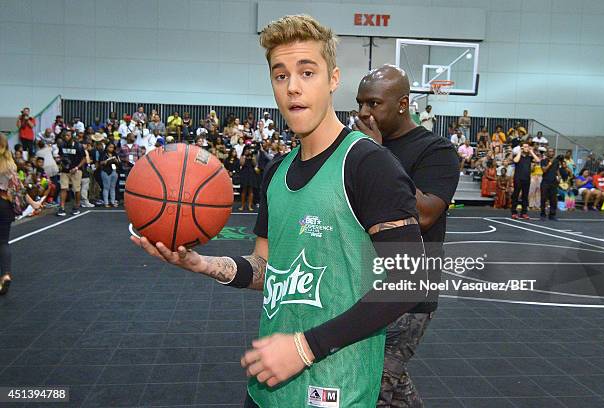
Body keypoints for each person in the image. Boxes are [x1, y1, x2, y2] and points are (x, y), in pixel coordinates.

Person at [132, 16, 425, 408]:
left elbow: (411, 279)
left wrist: (305, 348)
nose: (293, 88)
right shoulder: (276, 172)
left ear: (333, 79)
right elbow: (267, 268)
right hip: (268, 387)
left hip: (337, 392)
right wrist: (201, 264)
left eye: (307, 72)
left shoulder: (369, 164)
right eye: (281, 75)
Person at [355, 64, 459, 407]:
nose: (363, 112)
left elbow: (425, 214)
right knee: (388, 384)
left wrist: (378, 155)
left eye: (373, 103)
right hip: (364, 284)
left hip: (408, 292)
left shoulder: (436, 150)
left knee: (374, 385)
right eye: (360, 103)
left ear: (402, 103)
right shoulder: (361, 147)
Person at [0, 133, 42, 295]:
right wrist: (34, 203)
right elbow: (20, 190)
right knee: (3, 242)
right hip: (4, 205)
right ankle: (5, 274)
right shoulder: (10, 166)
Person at [56, 130, 86, 216]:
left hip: (76, 170)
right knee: (63, 188)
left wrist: (77, 167)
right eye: (65, 135)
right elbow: (61, 156)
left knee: (76, 189)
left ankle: (76, 205)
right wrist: (60, 161)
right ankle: (62, 207)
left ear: (72, 136)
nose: (66, 137)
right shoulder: (62, 145)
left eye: (68, 135)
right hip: (65, 170)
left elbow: (84, 159)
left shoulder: (78, 146)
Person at [511, 142, 540, 219]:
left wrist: (531, 151)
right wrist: (520, 151)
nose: (526, 148)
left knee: (525, 196)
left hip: (526, 178)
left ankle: (524, 213)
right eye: (524, 147)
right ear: (521, 148)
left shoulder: (530, 157)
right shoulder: (517, 155)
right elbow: (516, 161)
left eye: (527, 147)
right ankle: (514, 212)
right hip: (518, 178)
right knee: (516, 195)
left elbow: (538, 160)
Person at [540, 148, 560, 220]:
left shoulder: (557, 161)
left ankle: (552, 215)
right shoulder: (543, 161)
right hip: (545, 182)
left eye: (552, 152)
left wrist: (559, 177)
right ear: (547, 153)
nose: (551, 153)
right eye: (549, 151)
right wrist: (549, 164)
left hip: (553, 182)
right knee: (543, 198)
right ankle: (543, 214)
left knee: (553, 199)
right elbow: (544, 170)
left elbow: (557, 169)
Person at [100, 143, 120, 207]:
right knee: (106, 187)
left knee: (113, 187)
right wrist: (107, 161)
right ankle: (106, 202)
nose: (111, 149)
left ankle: (112, 202)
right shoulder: (103, 154)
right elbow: (100, 162)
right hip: (106, 171)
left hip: (114, 171)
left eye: (112, 147)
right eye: (110, 147)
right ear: (107, 147)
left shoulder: (115, 154)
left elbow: (119, 162)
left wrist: (116, 160)